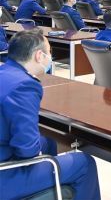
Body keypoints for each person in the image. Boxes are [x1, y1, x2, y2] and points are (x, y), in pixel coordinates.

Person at [0, 29, 102, 199]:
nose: (50, 57)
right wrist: (36, 154)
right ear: (39, 56)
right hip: (5, 175)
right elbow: (27, 150)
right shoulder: (24, 86)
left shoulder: (4, 72)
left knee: (48, 142)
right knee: (85, 162)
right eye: (49, 52)